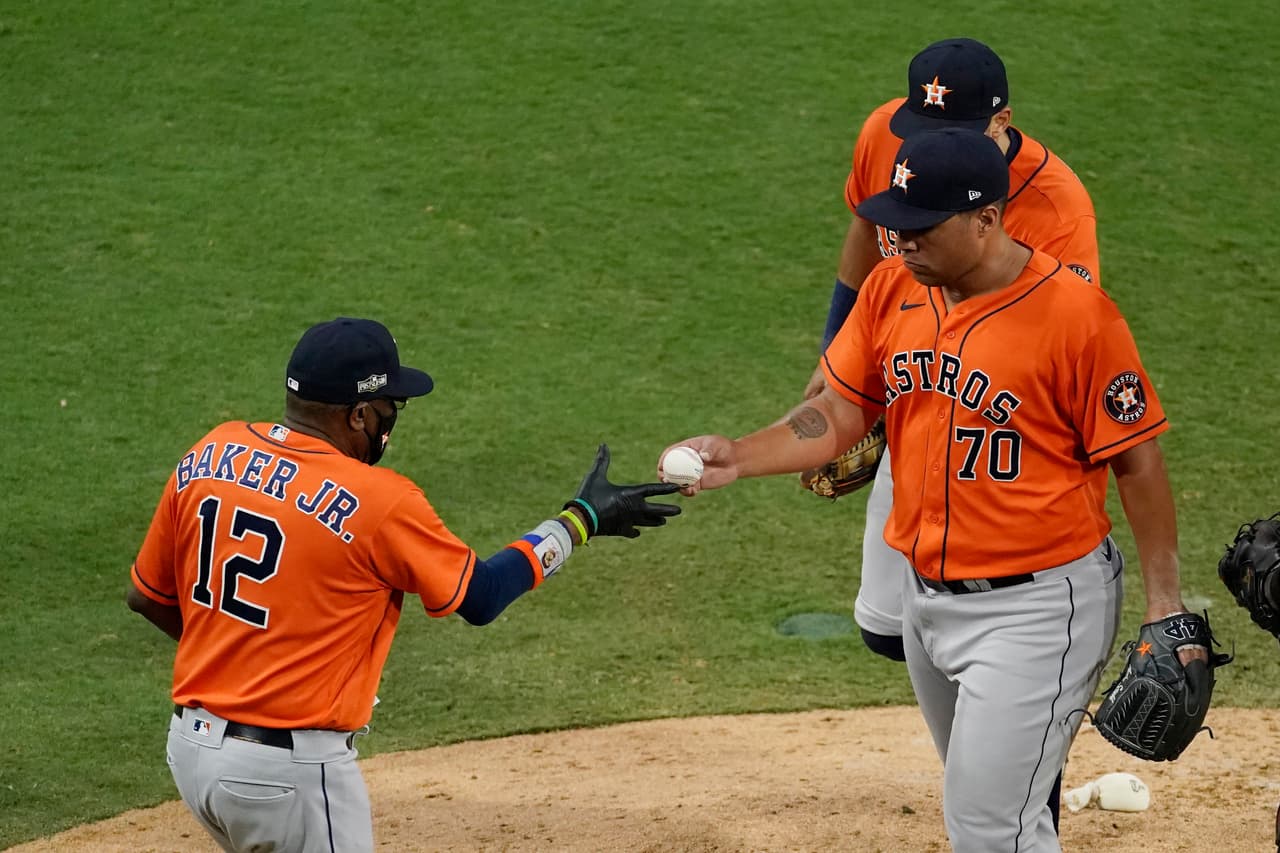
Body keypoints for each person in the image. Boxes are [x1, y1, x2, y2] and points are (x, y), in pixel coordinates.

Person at [664, 129, 1203, 853]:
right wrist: (740, 454)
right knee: (995, 806)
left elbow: (1138, 461)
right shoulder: (893, 290)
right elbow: (843, 409)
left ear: (986, 219)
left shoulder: (1077, 316)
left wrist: (1164, 601)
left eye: (922, 227)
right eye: (897, 222)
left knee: (988, 828)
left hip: (1038, 611)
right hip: (926, 600)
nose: (902, 240)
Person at [127, 317, 681, 853]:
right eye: (392, 406)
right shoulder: (379, 500)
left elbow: (148, 596)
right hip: (287, 774)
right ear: (360, 414)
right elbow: (481, 596)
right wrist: (580, 519)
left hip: (192, 755)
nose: (394, 420)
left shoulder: (210, 452)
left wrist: (248, 661)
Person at [805, 37, 1101, 669]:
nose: (932, 148)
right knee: (887, 631)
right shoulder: (886, 137)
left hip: (998, 434)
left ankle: (1019, 752)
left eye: (959, 131)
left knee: (986, 622)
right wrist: (841, 359)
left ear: (1003, 123)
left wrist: (922, 385)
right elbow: (866, 225)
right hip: (919, 396)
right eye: (924, 128)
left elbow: (1067, 344)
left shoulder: (1058, 208)